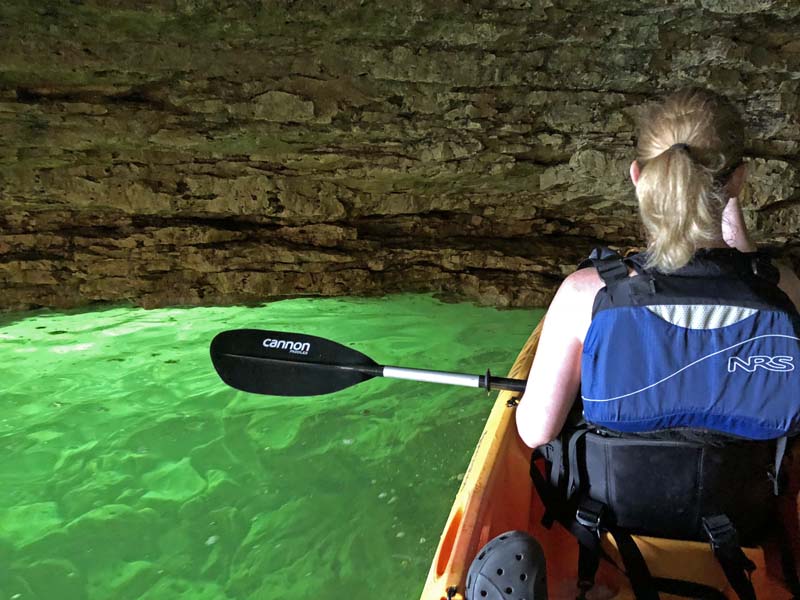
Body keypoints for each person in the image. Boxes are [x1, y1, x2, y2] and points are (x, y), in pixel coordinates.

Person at [514, 87, 800, 598]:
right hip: (740, 536)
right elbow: (754, 282)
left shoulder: (585, 296)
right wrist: (731, 207)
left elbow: (535, 431)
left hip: (607, 533)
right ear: (739, 179)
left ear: (637, 176)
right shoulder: (787, 295)